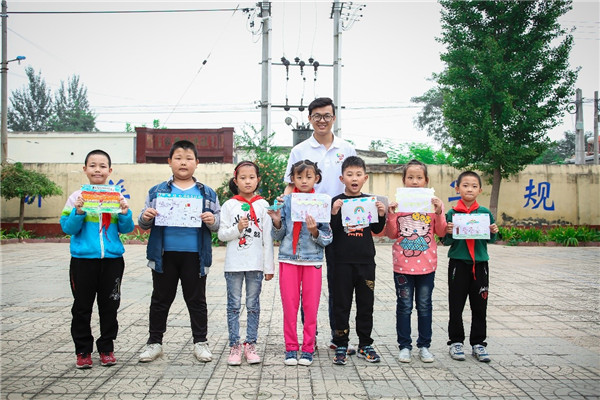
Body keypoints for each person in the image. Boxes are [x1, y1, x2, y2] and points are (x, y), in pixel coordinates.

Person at [283, 97, 357, 352]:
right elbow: (290, 185)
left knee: (339, 281)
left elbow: (354, 181)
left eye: (327, 116)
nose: (322, 120)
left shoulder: (346, 148)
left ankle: (339, 337)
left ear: (334, 118)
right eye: (317, 116)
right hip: (307, 224)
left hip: (340, 219)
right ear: (310, 119)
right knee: (306, 285)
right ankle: (309, 339)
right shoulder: (299, 150)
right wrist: (284, 208)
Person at [137, 140, 220, 363]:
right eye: (178, 158)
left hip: (195, 256)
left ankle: (200, 342)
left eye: (188, 158)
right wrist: (146, 217)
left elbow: (217, 224)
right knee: (160, 300)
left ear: (197, 162)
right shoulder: (157, 191)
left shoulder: (207, 193)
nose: (183, 163)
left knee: (197, 301)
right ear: (169, 161)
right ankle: (154, 343)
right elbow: (143, 222)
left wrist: (212, 220)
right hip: (164, 255)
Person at [60, 149, 135, 369]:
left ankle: (106, 348)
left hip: (112, 261)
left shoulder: (116, 197)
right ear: (85, 169)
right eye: (92, 165)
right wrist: (78, 212)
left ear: (110, 171)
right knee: (82, 307)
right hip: (83, 261)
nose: (97, 170)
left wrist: (124, 213)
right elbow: (68, 228)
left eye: (102, 166)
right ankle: (83, 350)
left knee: (110, 306)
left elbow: (127, 229)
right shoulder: (76, 197)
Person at [268, 160, 333, 366]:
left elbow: (327, 237)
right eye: (299, 177)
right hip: (289, 258)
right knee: (289, 306)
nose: (304, 181)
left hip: (312, 260)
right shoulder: (285, 201)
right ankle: (290, 348)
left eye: (308, 177)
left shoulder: (322, 202)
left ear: (316, 178)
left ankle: (308, 348)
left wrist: (314, 231)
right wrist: (276, 220)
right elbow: (277, 235)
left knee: (311, 307)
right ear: (292, 179)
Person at [385, 159, 447, 364]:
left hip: (427, 267)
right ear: (403, 180)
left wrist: (439, 212)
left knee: (424, 306)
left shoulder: (433, 204)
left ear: (426, 180)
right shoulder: (398, 205)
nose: (414, 181)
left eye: (419, 177)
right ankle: (404, 346)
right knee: (404, 306)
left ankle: (424, 346)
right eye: (410, 177)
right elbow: (392, 234)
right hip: (402, 266)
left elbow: (441, 232)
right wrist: (391, 215)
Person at [329, 156, 386, 365]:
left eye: (358, 174)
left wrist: (381, 214)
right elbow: (330, 231)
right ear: (342, 178)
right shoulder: (335, 201)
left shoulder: (370, 202)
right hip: (340, 263)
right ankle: (341, 344)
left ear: (365, 178)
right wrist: (334, 212)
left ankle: (365, 344)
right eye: (350, 174)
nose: (354, 178)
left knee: (366, 305)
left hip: (365, 262)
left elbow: (377, 229)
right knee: (341, 305)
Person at [218, 161, 274, 366]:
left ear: (258, 180)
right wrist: (238, 229)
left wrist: (269, 267)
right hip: (234, 265)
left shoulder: (264, 205)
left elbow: (268, 239)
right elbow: (222, 235)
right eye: (243, 178)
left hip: (255, 265)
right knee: (233, 306)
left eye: (251, 177)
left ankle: (250, 344)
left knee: (253, 306)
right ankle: (234, 345)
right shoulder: (229, 205)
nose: (247, 181)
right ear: (236, 180)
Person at [443, 170, 498, 363]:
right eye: (465, 185)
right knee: (456, 305)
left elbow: (490, 239)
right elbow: (446, 241)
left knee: (480, 306)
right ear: (457, 188)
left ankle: (478, 343)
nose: (469, 189)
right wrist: (448, 231)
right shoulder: (452, 213)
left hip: (480, 265)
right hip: (458, 265)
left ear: (480, 190)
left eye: (474, 186)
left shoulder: (484, 213)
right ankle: (456, 342)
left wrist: (493, 231)